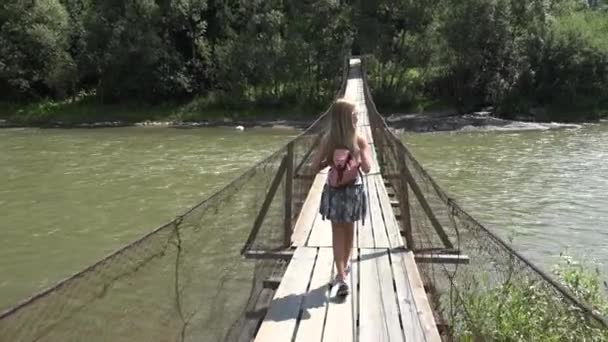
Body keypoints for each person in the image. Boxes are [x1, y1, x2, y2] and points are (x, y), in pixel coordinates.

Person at [311, 98, 371, 296]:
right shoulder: (359, 139)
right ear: (347, 118)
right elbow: (368, 168)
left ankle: (340, 274)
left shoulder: (328, 140)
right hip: (353, 191)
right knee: (349, 228)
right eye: (355, 114)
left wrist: (330, 163)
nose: (357, 117)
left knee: (337, 232)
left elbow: (314, 165)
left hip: (334, 192)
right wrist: (359, 160)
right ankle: (345, 267)